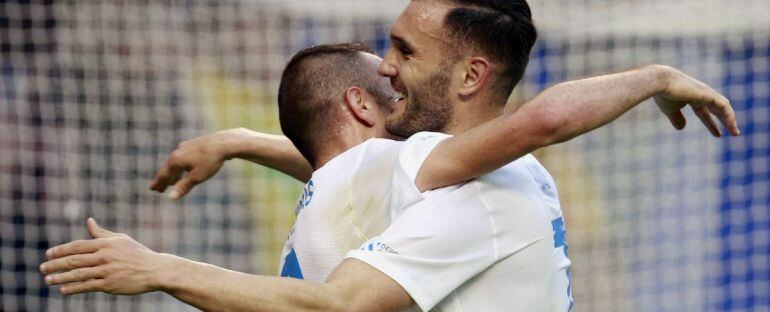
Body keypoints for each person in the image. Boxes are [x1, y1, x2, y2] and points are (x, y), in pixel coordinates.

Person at [40, 1, 739, 311]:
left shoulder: (477, 185)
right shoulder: (397, 172)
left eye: (403, 51)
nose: (392, 70)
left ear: (468, 76)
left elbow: (544, 119)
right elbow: (350, 165)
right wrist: (236, 141)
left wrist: (160, 266)